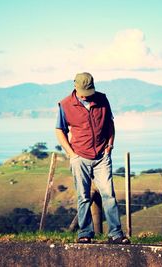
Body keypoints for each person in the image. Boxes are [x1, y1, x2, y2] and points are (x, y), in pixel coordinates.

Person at [55, 72, 130, 244]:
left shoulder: (103, 99)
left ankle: (116, 234)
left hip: (102, 157)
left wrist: (110, 146)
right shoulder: (65, 104)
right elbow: (60, 130)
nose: (85, 95)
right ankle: (85, 234)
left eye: (88, 91)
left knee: (109, 195)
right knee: (83, 196)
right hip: (79, 156)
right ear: (75, 87)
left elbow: (110, 124)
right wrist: (71, 154)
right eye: (82, 91)